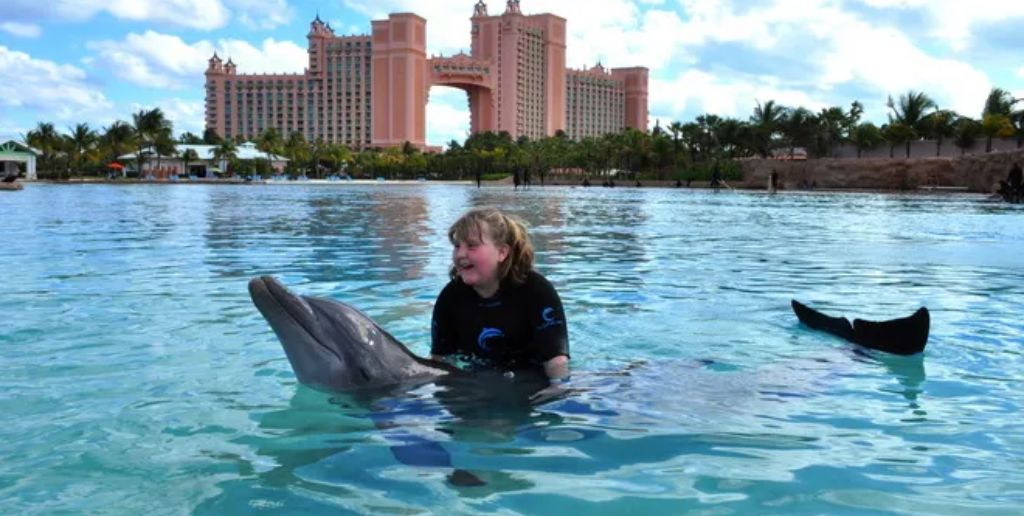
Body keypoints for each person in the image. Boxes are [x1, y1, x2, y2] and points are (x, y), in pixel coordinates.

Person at [431, 207, 570, 403]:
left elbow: (556, 359)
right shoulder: (450, 298)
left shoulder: (536, 291)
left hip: (531, 377)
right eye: (456, 246)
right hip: (476, 378)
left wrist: (558, 387)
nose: (460, 254)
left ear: (502, 252)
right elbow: (440, 359)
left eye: (472, 246)